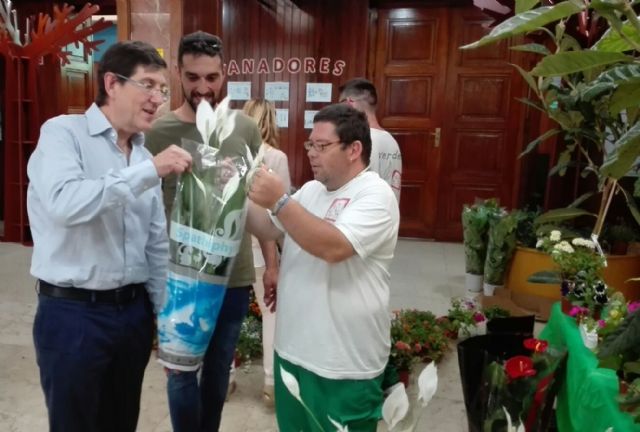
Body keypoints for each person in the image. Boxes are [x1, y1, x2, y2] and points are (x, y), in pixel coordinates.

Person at [27, 41, 193, 432]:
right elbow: (66, 204)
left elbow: (155, 244)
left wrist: (164, 321)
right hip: (73, 315)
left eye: (163, 90)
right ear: (112, 84)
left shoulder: (140, 155)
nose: (158, 98)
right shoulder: (63, 134)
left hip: (132, 314)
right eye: (148, 85)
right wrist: (148, 172)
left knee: (121, 421)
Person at [247, 104, 400, 431]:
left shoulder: (375, 194)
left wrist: (279, 200)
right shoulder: (313, 191)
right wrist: (230, 195)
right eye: (309, 145)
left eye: (322, 146)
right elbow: (269, 228)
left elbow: (333, 246)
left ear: (354, 149)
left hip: (343, 367)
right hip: (293, 355)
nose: (312, 154)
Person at [144, 31, 262, 432]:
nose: (203, 88)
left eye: (211, 77)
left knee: (217, 373)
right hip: (179, 277)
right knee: (178, 373)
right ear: (178, 72)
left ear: (224, 74)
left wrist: (273, 263)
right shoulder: (156, 133)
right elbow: (144, 209)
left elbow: (256, 200)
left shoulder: (245, 129)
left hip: (233, 276)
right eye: (193, 77)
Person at [239, 97, 291, 406]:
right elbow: (277, 216)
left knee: (225, 316)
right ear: (270, 121)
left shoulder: (227, 152)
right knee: (272, 312)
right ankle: (271, 385)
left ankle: (226, 377)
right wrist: (275, 263)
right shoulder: (276, 158)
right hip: (261, 249)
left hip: (229, 248)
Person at [339, 77, 402, 202]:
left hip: (365, 216)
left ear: (348, 103)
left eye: (339, 105)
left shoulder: (360, 142)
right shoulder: (391, 140)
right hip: (388, 214)